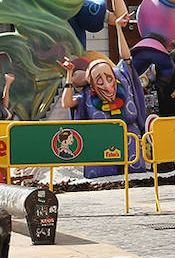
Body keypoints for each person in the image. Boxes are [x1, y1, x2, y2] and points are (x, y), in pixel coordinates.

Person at [62, 12, 149, 178]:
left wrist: (117, 27)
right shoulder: (86, 96)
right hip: (100, 145)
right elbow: (66, 103)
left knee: (136, 176)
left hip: (130, 141)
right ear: (92, 83)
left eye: (109, 77)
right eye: (99, 81)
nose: (107, 84)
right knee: (104, 178)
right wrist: (69, 75)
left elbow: (126, 57)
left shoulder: (123, 79)